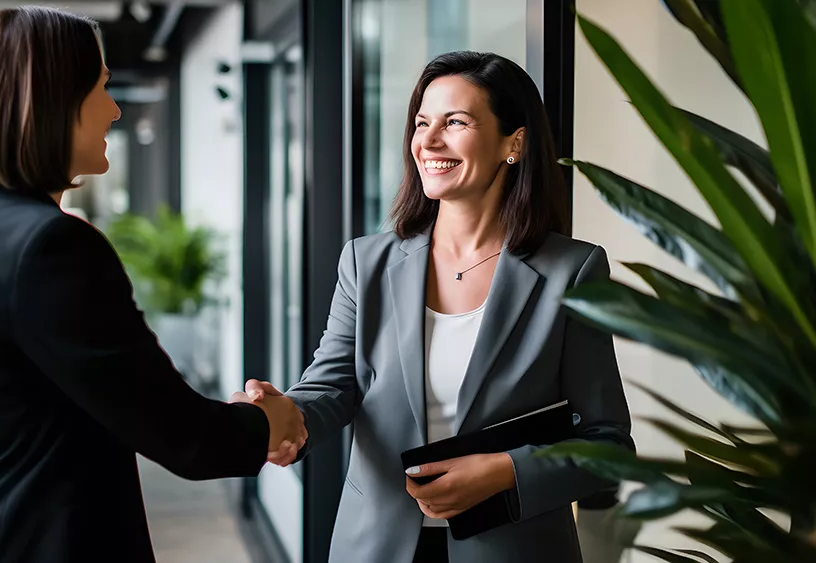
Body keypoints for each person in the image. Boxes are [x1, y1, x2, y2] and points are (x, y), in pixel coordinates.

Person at [0, 7, 304, 563]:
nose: (113, 110)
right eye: (102, 88)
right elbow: (177, 431)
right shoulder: (49, 245)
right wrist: (267, 423)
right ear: (51, 102)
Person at [247, 51, 634, 563]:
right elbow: (333, 388)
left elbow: (607, 445)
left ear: (513, 142)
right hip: (375, 546)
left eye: (455, 122)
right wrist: (285, 416)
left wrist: (505, 471)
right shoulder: (367, 263)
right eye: (422, 122)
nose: (428, 141)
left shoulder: (572, 271)